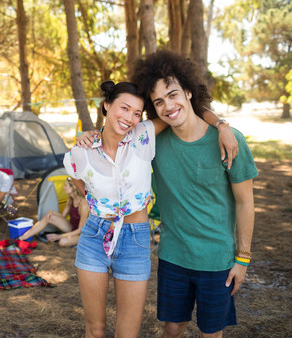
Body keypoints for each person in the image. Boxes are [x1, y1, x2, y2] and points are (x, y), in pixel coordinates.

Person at [70, 80, 238, 338]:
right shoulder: (81, 151)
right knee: (95, 328)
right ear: (106, 105)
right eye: (124, 108)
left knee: (127, 333)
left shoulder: (144, 135)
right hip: (94, 236)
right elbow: (78, 179)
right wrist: (98, 202)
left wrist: (222, 125)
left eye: (137, 112)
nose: (130, 118)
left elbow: (188, 109)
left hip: (135, 239)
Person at [129, 50, 258, 338]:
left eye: (173, 94)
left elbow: (245, 202)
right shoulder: (154, 144)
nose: (168, 106)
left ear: (188, 92)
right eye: (159, 101)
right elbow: (119, 135)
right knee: (172, 328)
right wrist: (90, 137)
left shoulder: (230, 140)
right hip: (173, 256)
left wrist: (243, 259)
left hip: (217, 261)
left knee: (211, 332)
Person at [18, 177, 89, 247]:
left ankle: (76, 241)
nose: (64, 187)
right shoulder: (70, 199)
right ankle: (21, 238)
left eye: (65, 185)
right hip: (72, 228)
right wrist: (52, 212)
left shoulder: (83, 204)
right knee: (50, 216)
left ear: (73, 188)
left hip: (82, 234)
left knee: (62, 242)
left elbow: (80, 230)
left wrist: (60, 236)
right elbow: (62, 216)